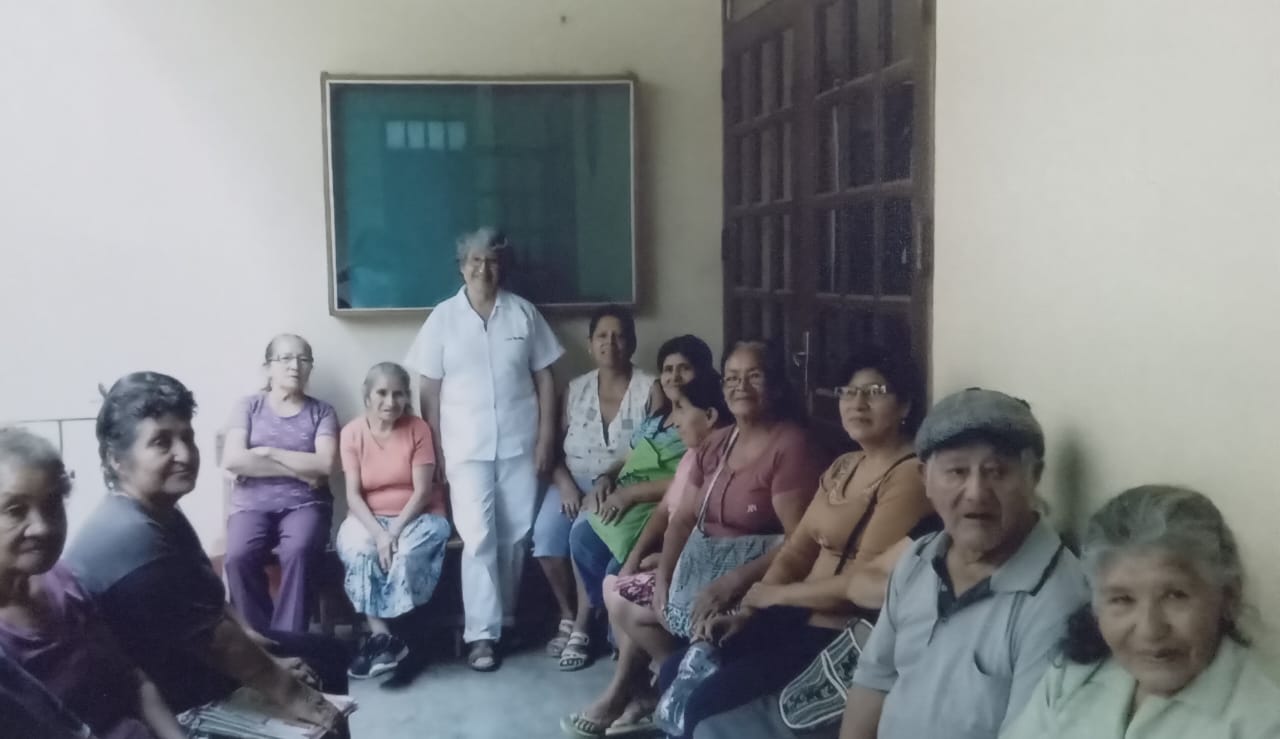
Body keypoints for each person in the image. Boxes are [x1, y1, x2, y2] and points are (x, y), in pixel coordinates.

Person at [672, 351, 939, 739]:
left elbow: (861, 587)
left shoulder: (909, 476)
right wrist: (748, 613)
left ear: (906, 405)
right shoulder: (844, 465)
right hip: (792, 617)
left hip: (835, 633)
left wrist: (777, 596)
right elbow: (797, 549)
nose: (857, 403)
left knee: (706, 703)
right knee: (678, 671)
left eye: (874, 392)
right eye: (849, 392)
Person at [64, 372, 345, 733]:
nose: (184, 453)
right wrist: (293, 693)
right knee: (316, 683)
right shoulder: (130, 535)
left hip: (186, 653)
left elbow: (210, 600)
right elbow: (216, 643)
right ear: (116, 460)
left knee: (327, 653)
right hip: (155, 690)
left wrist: (262, 648)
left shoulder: (160, 509)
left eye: (187, 437)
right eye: (161, 442)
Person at [838, 388, 1090, 739]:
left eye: (997, 472)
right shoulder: (918, 558)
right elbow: (874, 679)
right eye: (956, 472)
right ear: (925, 478)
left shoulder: (1058, 599)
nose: (976, 492)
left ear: (1034, 477)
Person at [404, 227, 564, 671]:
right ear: (461, 266)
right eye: (475, 260)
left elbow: (547, 379)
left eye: (492, 260)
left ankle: (505, 621)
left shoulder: (524, 314)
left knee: (514, 537)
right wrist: (433, 450)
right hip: (465, 447)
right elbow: (428, 391)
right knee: (477, 538)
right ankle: (481, 636)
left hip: (519, 441)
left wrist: (547, 438)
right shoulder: (442, 318)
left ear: (503, 266)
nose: (483, 268)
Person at [1002, 485, 1280, 738]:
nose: (1150, 629)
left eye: (1175, 596)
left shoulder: (1264, 719)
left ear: (1228, 596)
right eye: (1122, 599)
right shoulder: (1073, 675)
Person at [561, 370, 731, 737]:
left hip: (714, 568)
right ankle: (646, 690)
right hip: (684, 557)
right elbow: (669, 514)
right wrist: (637, 559)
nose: (676, 419)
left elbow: (694, 523)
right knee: (617, 579)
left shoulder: (720, 457)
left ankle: (639, 690)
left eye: (682, 409)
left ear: (712, 416)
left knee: (623, 591)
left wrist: (666, 566)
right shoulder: (694, 454)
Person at [0, 427, 184, 739]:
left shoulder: (61, 579)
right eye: (15, 510)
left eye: (52, 504)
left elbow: (133, 680)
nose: (42, 528)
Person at [557, 333, 715, 671]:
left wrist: (629, 494)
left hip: (656, 507)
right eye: (668, 370)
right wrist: (606, 479)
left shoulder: (702, 421)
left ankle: (626, 649)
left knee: (621, 563)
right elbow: (628, 459)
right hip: (628, 496)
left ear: (701, 372)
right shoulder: (656, 420)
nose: (674, 377)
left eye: (684, 369)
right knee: (582, 535)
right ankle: (597, 619)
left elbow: (688, 482)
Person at [534, 305, 656, 666]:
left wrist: (611, 481)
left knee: (584, 534)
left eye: (619, 335)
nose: (610, 343)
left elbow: (655, 450)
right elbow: (552, 451)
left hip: (623, 485)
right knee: (544, 540)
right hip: (571, 480)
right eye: (602, 336)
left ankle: (585, 625)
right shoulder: (575, 389)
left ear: (631, 343)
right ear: (590, 344)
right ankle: (569, 613)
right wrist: (567, 486)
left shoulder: (650, 389)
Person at [336, 362, 452, 680]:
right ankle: (383, 637)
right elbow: (353, 496)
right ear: (367, 395)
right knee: (361, 550)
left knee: (406, 553)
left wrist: (393, 532)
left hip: (421, 515)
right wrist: (378, 533)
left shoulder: (418, 429)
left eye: (399, 394)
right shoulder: (352, 433)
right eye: (382, 393)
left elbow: (423, 491)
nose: (391, 402)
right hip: (368, 517)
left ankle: (388, 641)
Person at [220, 333, 339, 633]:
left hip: (306, 505)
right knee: (237, 556)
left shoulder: (322, 412)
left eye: (303, 359)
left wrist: (269, 453)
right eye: (285, 358)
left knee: (298, 550)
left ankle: (290, 641)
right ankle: (262, 642)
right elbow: (233, 459)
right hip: (250, 506)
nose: (294, 366)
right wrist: (301, 469)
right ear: (267, 368)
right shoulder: (248, 407)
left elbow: (324, 465)